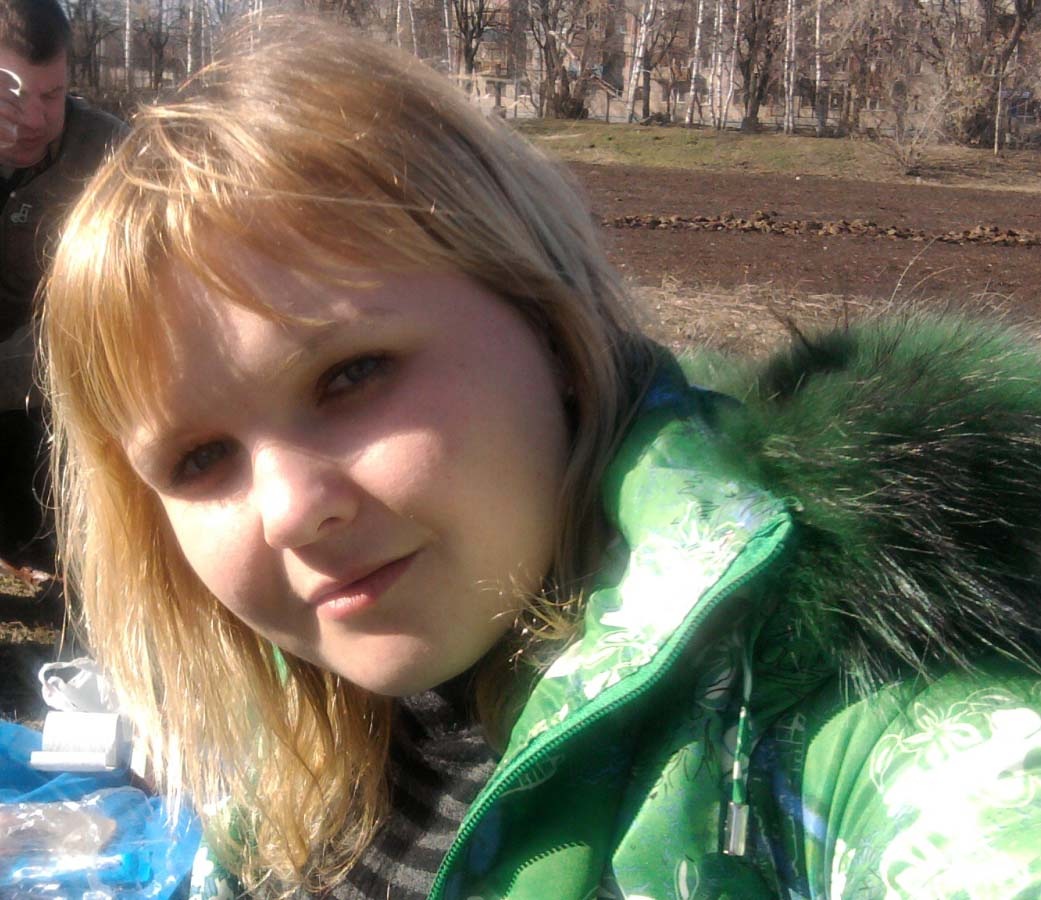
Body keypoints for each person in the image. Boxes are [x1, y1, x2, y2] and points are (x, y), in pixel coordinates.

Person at [40, 19, 1041, 900]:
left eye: (351, 375)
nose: (291, 511)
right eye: (200, 460)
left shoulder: (864, 733)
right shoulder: (281, 751)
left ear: (551, 328)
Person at [0, 0, 123, 568]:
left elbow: (116, 304)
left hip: (52, 390)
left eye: (51, 95)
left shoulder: (107, 154)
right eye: (12, 96)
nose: (35, 120)